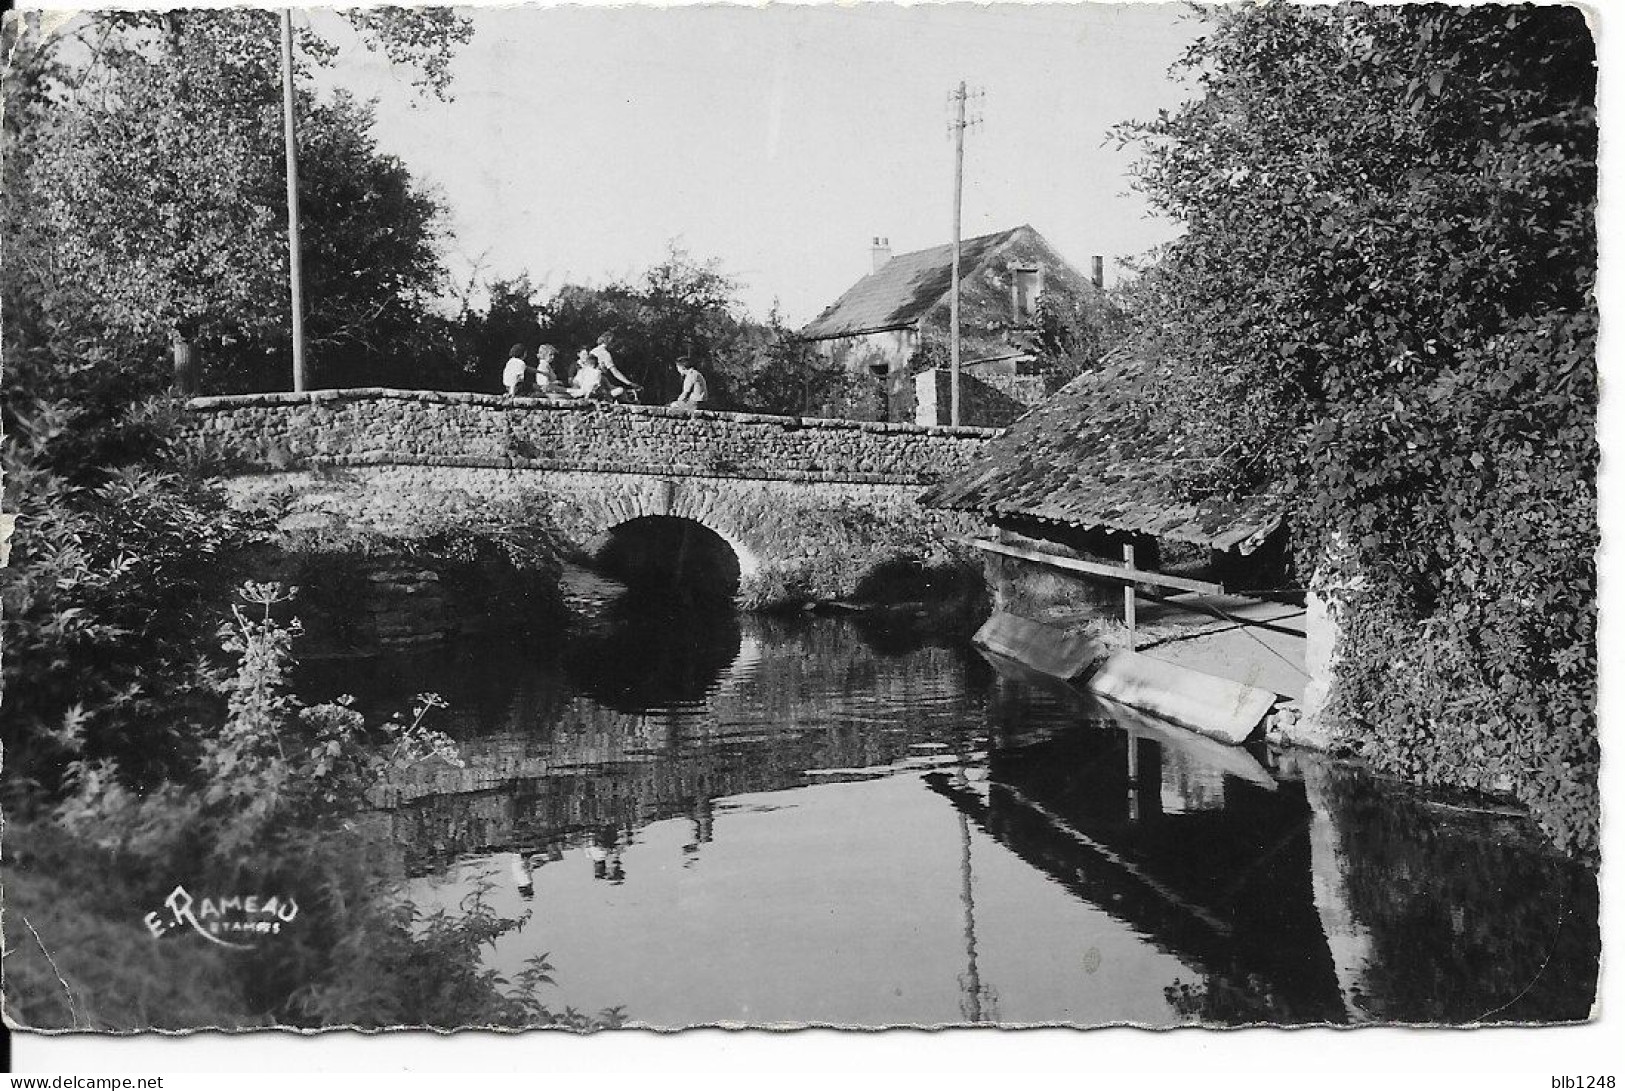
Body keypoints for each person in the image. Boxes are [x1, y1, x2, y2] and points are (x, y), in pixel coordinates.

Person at [590, 331, 641, 399]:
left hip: (590, 381)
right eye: (614, 343)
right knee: (621, 391)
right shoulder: (605, 354)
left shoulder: (593, 351)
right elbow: (615, 372)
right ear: (609, 342)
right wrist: (629, 383)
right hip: (599, 382)